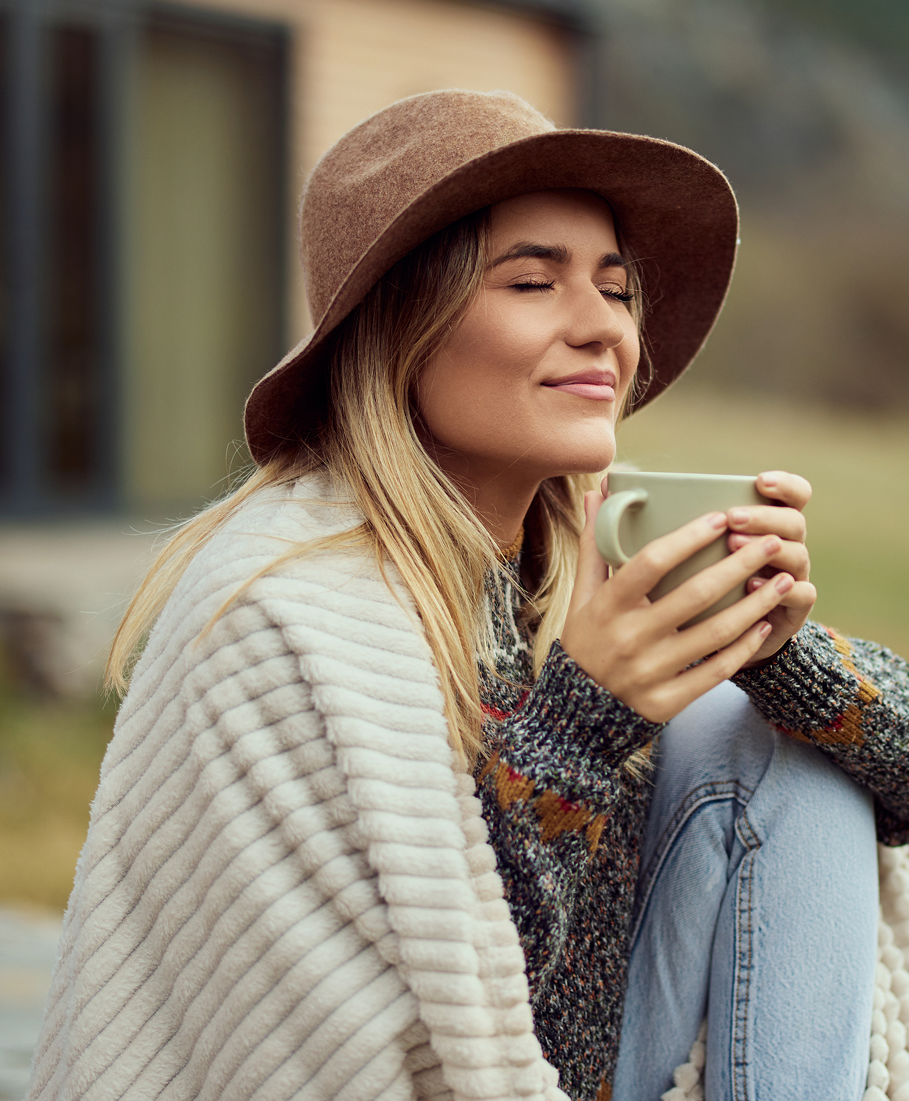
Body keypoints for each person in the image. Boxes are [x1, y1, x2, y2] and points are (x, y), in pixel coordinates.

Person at [27, 90, 909, 1101]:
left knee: (786, 757)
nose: (601, 329)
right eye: (533, 282)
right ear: (404, 327)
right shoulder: (284, 616)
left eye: (616, 290)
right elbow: (430, 1038)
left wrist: (776, 653)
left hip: (585, 1074)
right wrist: (580, 727)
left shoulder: (577, 576)